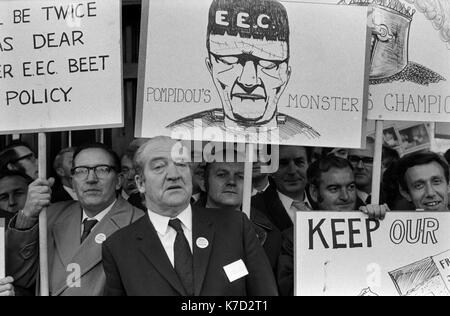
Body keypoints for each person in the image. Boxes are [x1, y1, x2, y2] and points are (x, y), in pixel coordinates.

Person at [102, 137, 278, 296]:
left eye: (181, 164)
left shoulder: (235, 226)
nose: (174, 175)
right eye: (159, 167)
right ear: (140, 183)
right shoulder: (119, 247)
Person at [167, 0, 320, 142]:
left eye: (268, 64)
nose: (248, 80)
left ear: (286, 75)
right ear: (211, 67)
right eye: (229, 61)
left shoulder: (306, 137)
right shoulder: (179, 133)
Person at [6, 143, 143, 296]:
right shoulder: (50, 216)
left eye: (102, 169)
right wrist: (28, 216)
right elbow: (19, 278)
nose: (91, 179)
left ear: (118, 181)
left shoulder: (140, 224)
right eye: (81, 171)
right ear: (72, 181)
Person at [277, 156, 389, 296]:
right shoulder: (294, 238)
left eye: (351, 187)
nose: (345, 196)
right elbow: (290, 290)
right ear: (314, 192)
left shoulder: (373, 224)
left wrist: (385, 226)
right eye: (334, 189)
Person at [196, 159, 282, 271]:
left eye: (240, 176)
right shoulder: (184, 224)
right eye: (221, 175)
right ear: (203, 182)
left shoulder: (269, 234)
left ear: (250, 186)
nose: (231, 182)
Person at [252, 145, 312, 232]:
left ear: (310, 166)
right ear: (271, 170)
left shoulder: (325, 202)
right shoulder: (253, 209)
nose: (292, 171)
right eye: (283, 163)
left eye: (299, 162)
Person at [348, 137, 375, 205]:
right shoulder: (341, 200)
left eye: (368, 160)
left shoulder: (391, 199)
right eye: (354, 159)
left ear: (381, 164)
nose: (359, 166)